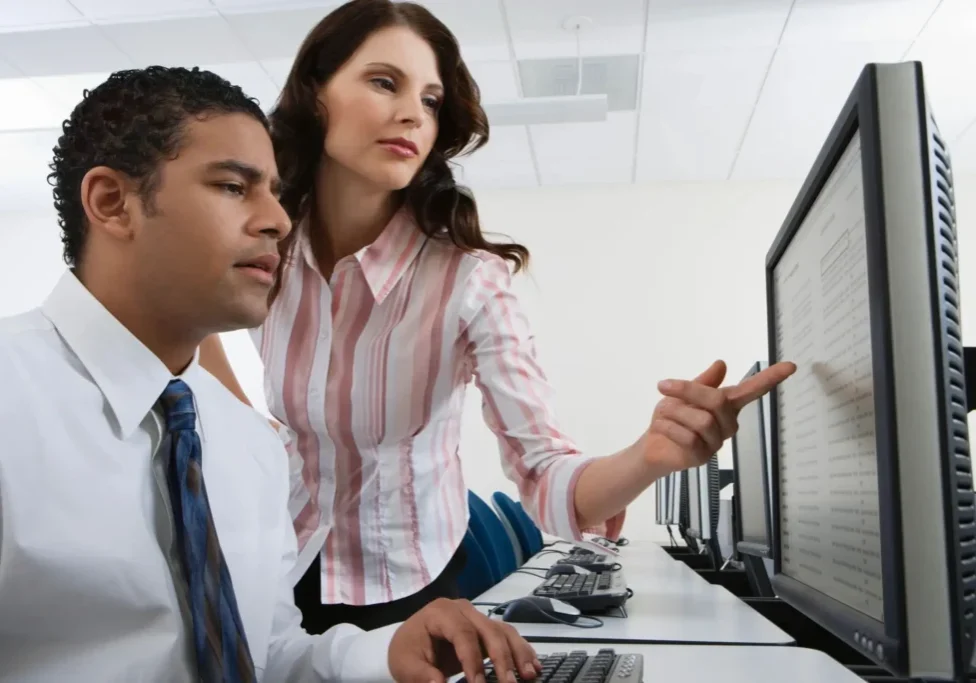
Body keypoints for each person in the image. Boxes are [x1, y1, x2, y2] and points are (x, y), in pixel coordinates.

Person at [200, 0, 796, 634]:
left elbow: (545, 478)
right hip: (281, 563)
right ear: (314, 92)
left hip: (408, 589)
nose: (412, 113)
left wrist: (650, 457)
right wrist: (248, 425)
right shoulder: (270, 242)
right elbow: (193, 315)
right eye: (384, 82)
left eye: (430, 101)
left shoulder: (468, 282)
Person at [0, 65, 542, 683]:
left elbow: (269, 653)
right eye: (234, 187)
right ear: (111, 203)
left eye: (274, 193)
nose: (279, 221)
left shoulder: (247, 444)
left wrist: (385, 651)